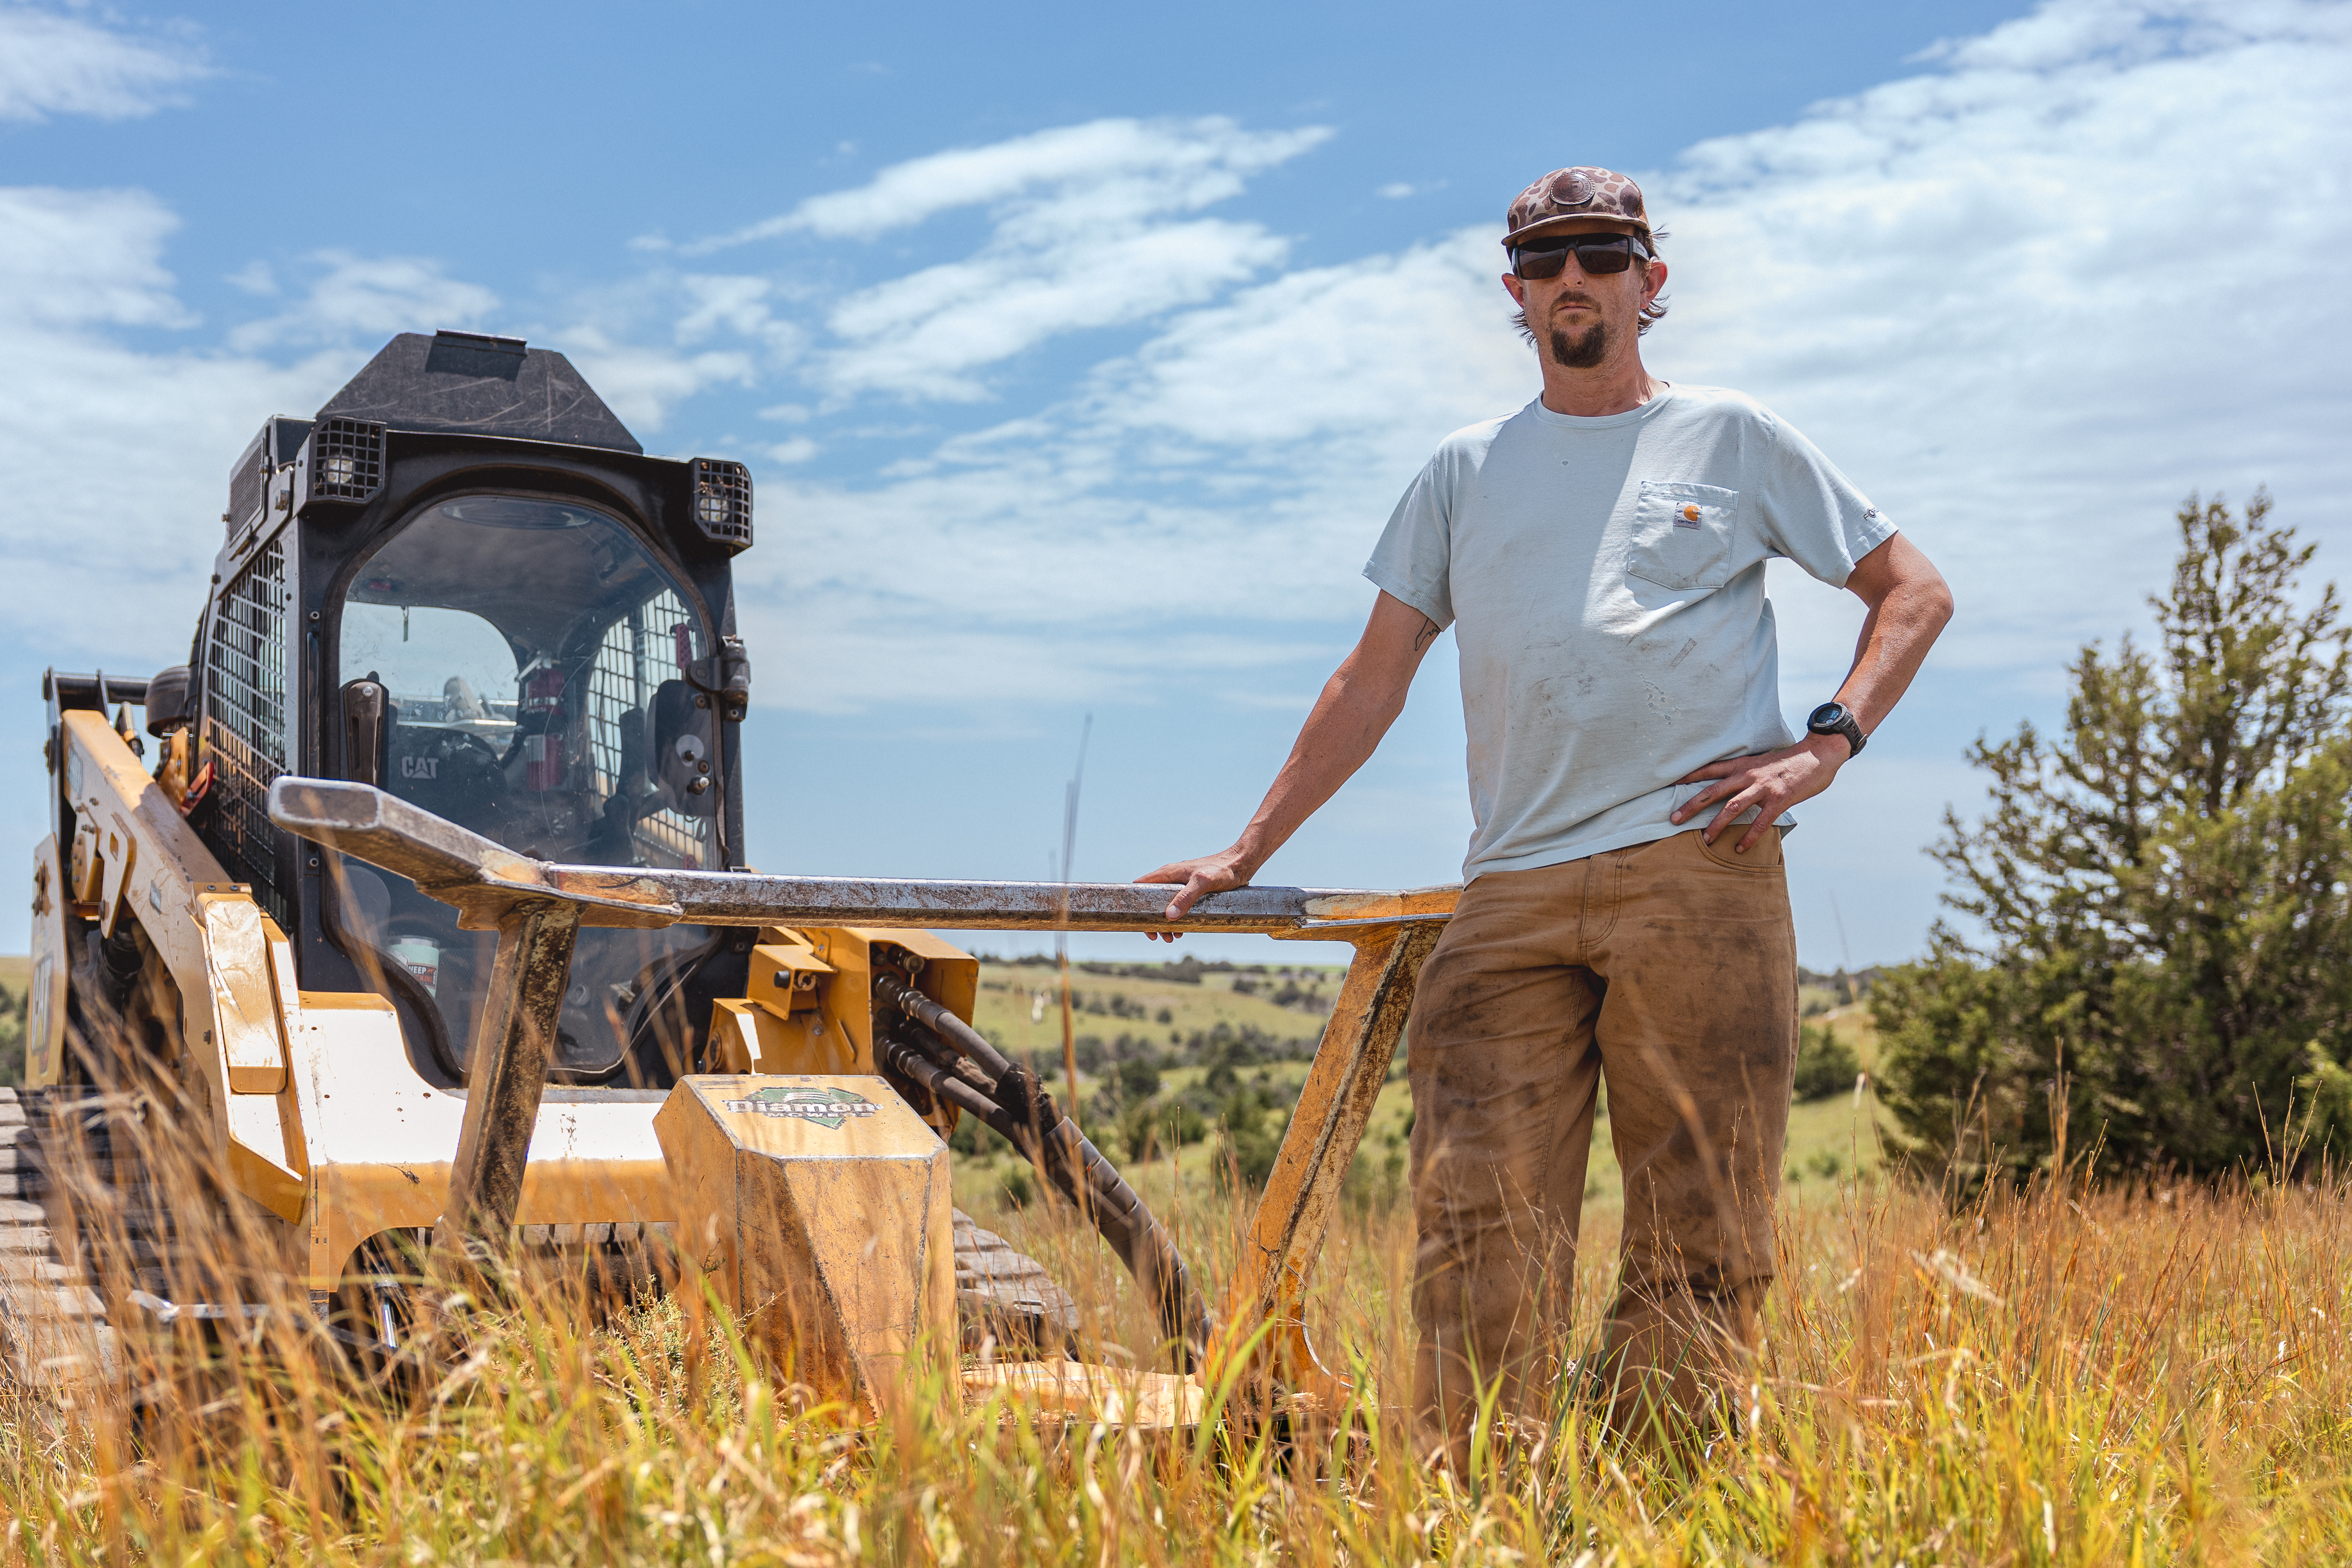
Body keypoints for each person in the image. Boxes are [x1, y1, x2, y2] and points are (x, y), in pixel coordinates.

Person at [1138, 166, 1953, 1457]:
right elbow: (1371, 675)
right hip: (1509, 884)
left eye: (1598, 251)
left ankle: (1655, 1501)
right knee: (1474, 1222)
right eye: (1542, 260)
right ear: (1514, 292)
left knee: (1701, 1217)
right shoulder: (1462, 473)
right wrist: (1248, 848)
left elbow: (1909, 591)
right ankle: (1478, 1508)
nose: (1570, 277)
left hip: (1699, 867)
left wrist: (1825, 747)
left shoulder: (1733, 438)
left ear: (1648, 277)